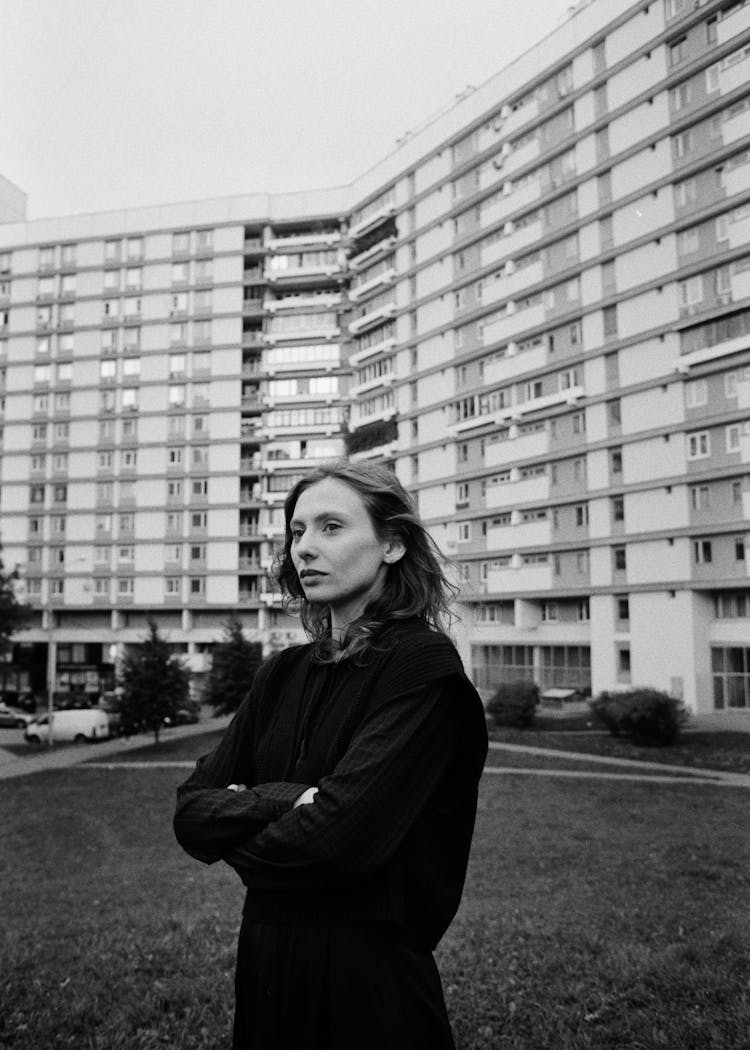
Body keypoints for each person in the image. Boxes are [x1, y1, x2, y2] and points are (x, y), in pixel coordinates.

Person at [173, 461, 488, 1049]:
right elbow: (190, 812)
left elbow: (334, 842)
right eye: (297, 532)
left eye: (331, 527)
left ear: (392, 543)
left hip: (367, 980)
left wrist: (243, 814)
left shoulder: (422, 668)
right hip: (265, 966)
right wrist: (291, 799)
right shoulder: (281, 673)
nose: (305, 549)